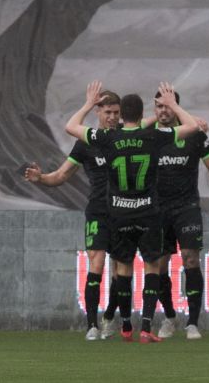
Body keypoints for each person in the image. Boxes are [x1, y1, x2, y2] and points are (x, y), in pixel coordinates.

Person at [65, 81, 200, 343]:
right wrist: (173, 106)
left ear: (122, 115)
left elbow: (70, 127)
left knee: (122, 267)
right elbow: (192, 126)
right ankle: (146, 327)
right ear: (142, 115)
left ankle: (125, 325)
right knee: (152, 265)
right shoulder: (154, 136)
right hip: (148, 212)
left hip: (119, 214)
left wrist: (88, 104)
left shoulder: (108, 138)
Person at [24, 91, 123, 340]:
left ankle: (110, 316)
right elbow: (61, 175)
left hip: (126, 210)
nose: (112, 117)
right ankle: (91, 325)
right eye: (107, 112)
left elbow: (155, 124)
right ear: (98, 113)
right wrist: (41, 178)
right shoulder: (86, 141)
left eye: (116, 113)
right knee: (97, 264)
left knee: (122, 272)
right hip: (98, 211)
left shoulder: (128, 137)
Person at [150, 90, 209, 340]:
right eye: (158, 106)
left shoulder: (194, 135)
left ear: (176, 108)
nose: (163, 111)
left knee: (190, 260)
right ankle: (170, 317)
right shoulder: (148, 136)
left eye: (168, 106)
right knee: (160, 265)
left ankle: (192, 323)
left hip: (187, 208)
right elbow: (127, 126)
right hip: (157, 210)